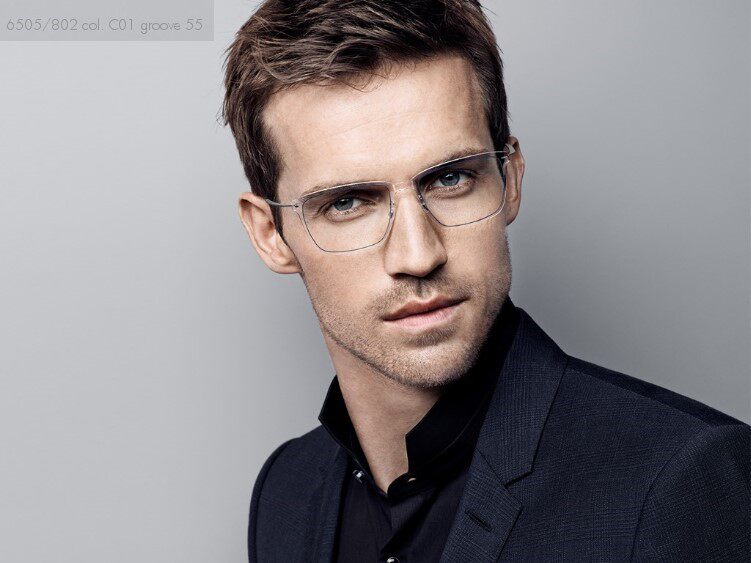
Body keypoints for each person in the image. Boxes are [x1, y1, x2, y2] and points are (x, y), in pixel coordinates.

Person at [222, 1, 750, 561]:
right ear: (270, 234)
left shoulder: (683, 482)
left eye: (451, 178)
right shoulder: (287, 490)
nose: (418, 255)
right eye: (348, 202)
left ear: (510, 179)